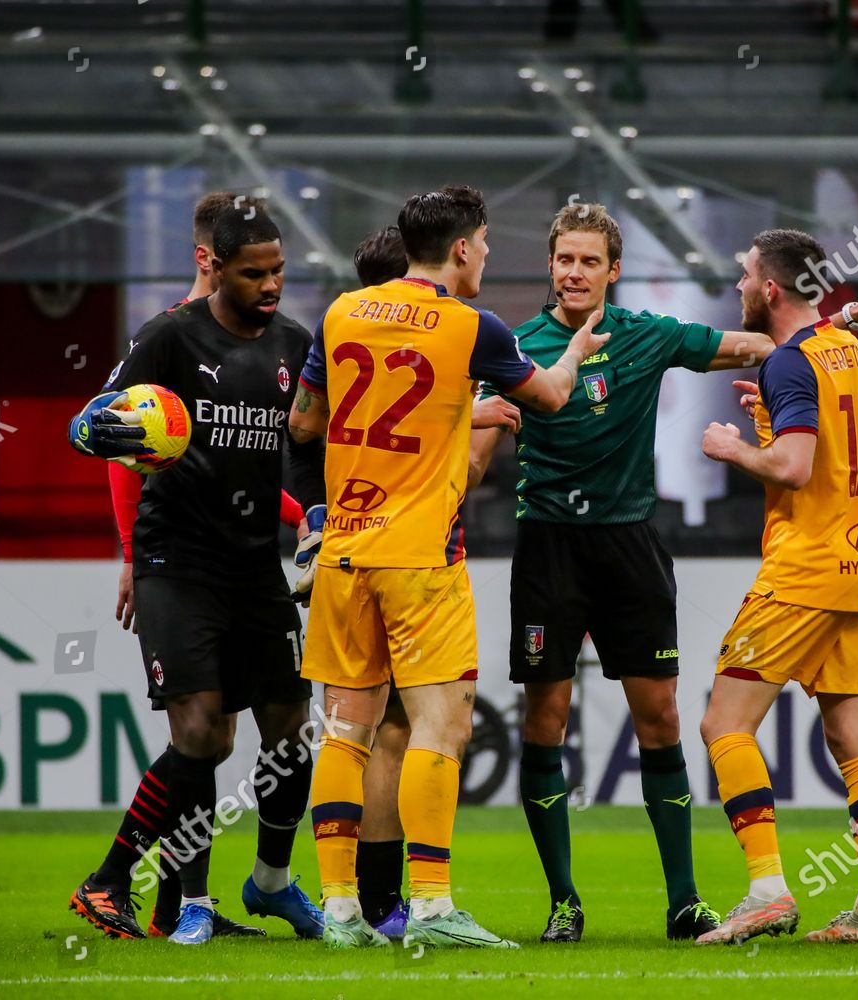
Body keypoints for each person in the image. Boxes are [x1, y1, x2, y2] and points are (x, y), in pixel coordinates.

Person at [469, 203, 858, 943]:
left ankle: (689, 899)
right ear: (549, 266)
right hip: (549, 549)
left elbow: (758, 346)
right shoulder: (517, 350)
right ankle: (564, 903)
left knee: (673, 720)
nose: (574, 272)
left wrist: (828, 328)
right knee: (546, 724)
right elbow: (802, 356)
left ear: (613, 270)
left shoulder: (648, 335)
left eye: (589, 260)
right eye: (563, 260)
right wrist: (844, 325)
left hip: (634, 550)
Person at [288, 185, 605, 949]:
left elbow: (304, 421)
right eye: (487, 244)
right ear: (462, 248)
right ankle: (430, 904)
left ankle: (340, 910)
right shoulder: (475, 329)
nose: (488, 257)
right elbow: (554, 399)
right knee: (443, 722)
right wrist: (576, 350)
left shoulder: (340, 312)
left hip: (345, 550)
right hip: (421, 557)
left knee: (345, 729)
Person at [66, 199, 323, 945]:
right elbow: (94, 420)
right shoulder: (170, 337)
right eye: (255, 273)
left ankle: (271, 882)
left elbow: (306, 445)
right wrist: (95, 430)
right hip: (175, 561)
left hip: (254, 566)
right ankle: (161, 895)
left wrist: (310, 513)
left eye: (278, 270)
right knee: (201, 734)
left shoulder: (293, 345)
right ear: (217, 267)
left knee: (289, 729)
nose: (270, 284)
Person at [694, 228, 858, 947]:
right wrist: (775, 420)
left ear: (771, 288)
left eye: (746, 275)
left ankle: (767, 892)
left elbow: (792, 469)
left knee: (725, 723)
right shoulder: (857, 353)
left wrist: (733, 447)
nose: (741, 285)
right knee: (856, 740)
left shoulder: (790, 362)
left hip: (804, 571)